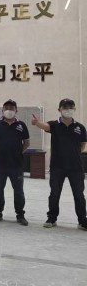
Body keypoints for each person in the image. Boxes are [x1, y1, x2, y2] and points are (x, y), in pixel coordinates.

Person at [31, 98, 87, 231]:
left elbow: (83, 145)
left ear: (74, 109)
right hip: (57, 167)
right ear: (59, 110)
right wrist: (37, 123)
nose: (68, 110)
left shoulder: (80, 127)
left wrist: (73, 154)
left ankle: (82, 221)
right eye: (65, 108)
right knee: (55, 193)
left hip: (75, 167)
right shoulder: (55, 125)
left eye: (70, 107)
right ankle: (51, 218)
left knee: (79, 195)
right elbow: (46, 126)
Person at [0, 99, 30, 226]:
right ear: (2, 110)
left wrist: (18, 152)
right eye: (7, 108)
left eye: (12, 108)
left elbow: (27, 143)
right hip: (0, 164)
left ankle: (20, 214)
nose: (9, 110)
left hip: (16, 164)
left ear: (16, 110)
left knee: (18, 190)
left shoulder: (21, 125)